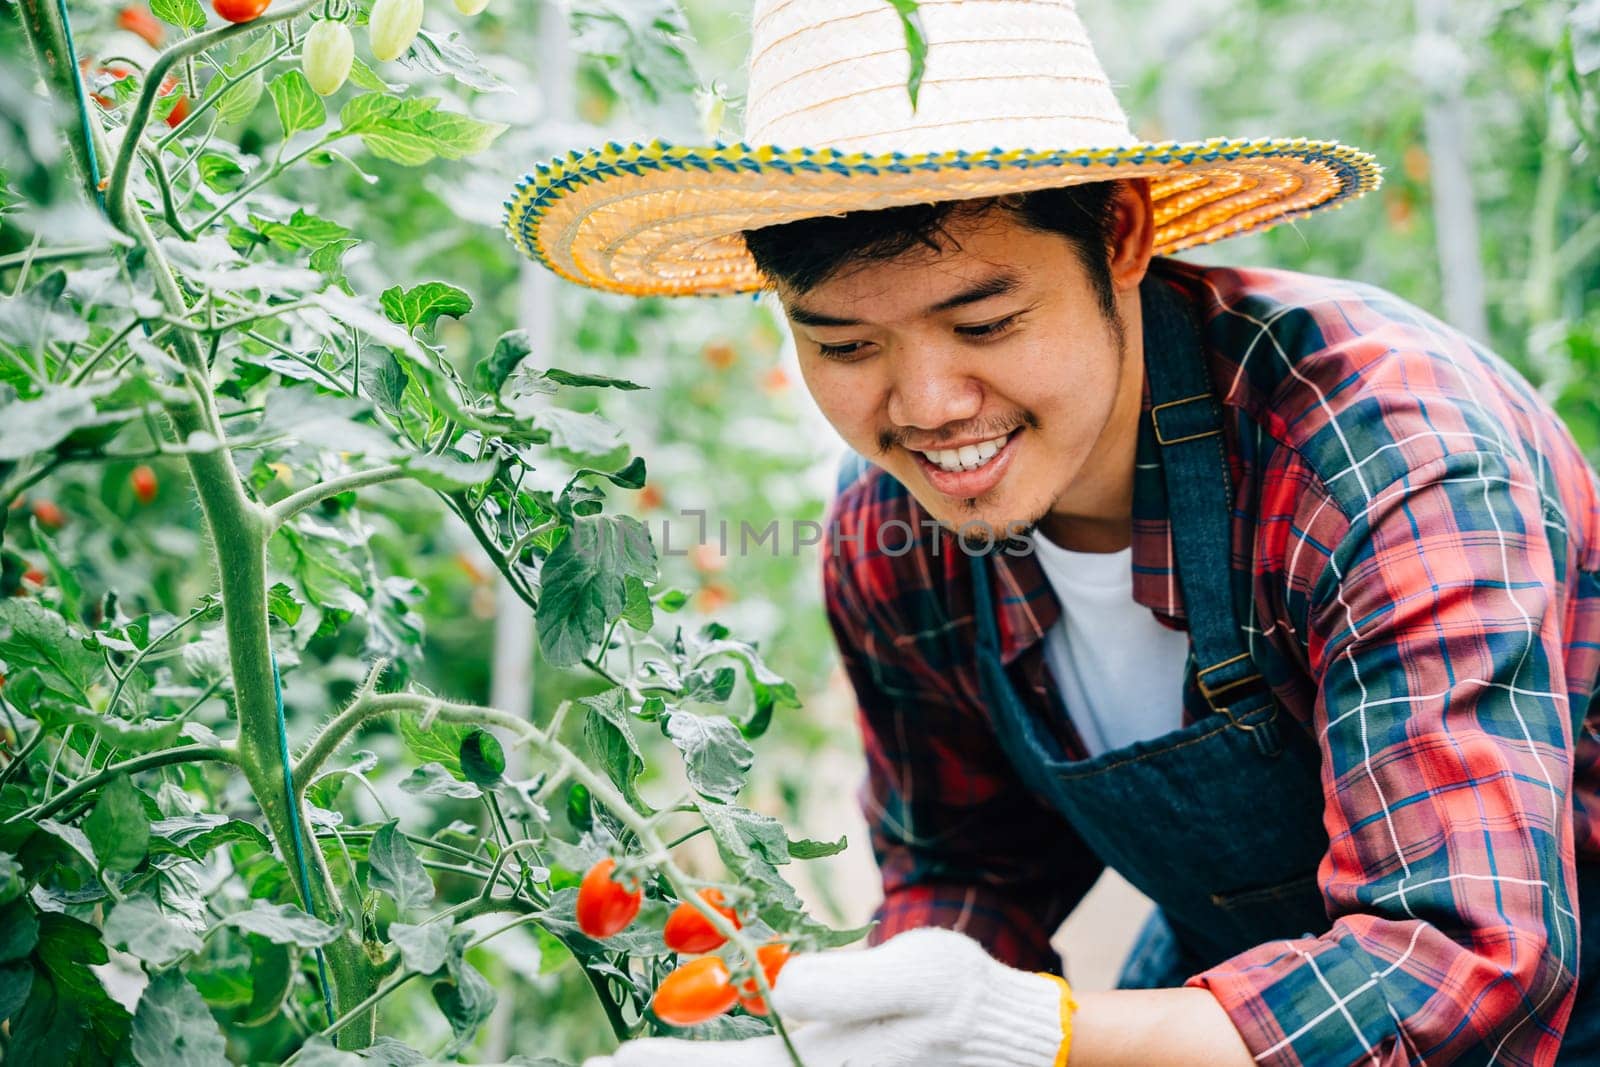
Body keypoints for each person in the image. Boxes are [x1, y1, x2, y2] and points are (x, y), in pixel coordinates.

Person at [506, 0, 1600, 1063]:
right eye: (844, 347)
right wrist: (899, 1022)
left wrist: (1041, 1032)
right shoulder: (896, 531)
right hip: (1240, 984)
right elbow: (970, 864)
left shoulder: (1377, 458)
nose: (927, 405)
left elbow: (1455, 969)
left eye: (984, 322)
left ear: (1120, 232)